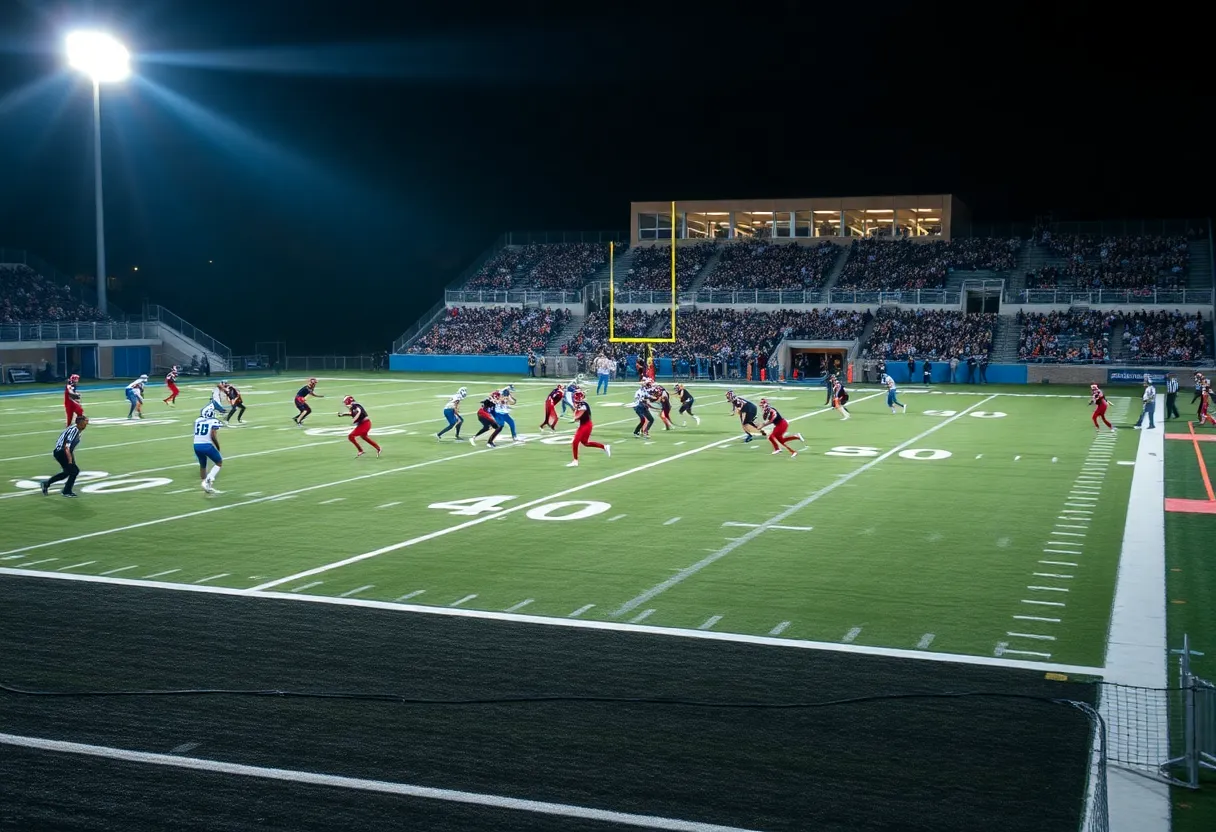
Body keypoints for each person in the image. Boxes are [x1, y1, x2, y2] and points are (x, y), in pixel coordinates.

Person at [42, 416, 88, 498]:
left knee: (67, 472)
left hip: (63, 452)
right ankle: (66, 491)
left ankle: (46, 483)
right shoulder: (74, 430)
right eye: (84, 424)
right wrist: (70, 460)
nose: (85, 426)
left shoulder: (75, 429)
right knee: (74, 471)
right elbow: (67, 447)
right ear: (79, 423)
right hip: (62, 452)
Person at [567, 390, 609, 468]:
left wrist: (574, 417)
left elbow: (578, 416)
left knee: (575, 442)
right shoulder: (580, 404)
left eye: (577, 397)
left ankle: (575, 461)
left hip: (586, 425)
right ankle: (604, 447)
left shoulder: (583, 405)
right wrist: (575, 413)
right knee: (585, 443)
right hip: (586, 424)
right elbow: (577, 415)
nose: (575, 399)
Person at [193, 405, 224, 493]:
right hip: (206, 445)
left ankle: (205, 485)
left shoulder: (198, 420)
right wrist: (217, 446)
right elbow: (212, 435)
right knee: (219, 462)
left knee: (203, 465)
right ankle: (208, 480)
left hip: (196, 445)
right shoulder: (213, 421)